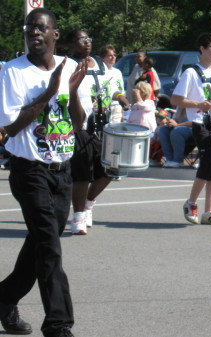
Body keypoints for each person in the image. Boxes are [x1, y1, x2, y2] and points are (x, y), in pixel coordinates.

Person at [0, 8, 90, 336]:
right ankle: (58, 324)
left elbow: (79, 122)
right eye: (29, 29)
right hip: (29, 171)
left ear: (54, 34)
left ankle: (4, 297)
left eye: (40, 29)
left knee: (40, 245)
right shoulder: (13, 72)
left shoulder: (68, 68)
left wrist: (73, 91)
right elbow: (10, 127)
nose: (33, 33)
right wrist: (49, 92)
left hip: (61, 171)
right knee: (50, 247)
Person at [170, 32, 211, 225]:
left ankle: (209, 211)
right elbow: (175, 99)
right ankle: (191, 203)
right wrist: (198, 104)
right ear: (202, 49)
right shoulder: (191, 73)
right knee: (208, 163)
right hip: (201, 125)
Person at [68, 29, 126, 235]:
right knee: (82, 175)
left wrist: (121, 98)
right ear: (71, 44)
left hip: (104, 126)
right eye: (81, 39)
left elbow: (113, 89)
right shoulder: (66, 64)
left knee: (112, 170)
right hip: (81, 127)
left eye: (89, 38)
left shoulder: (102, 65)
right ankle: (78, 217)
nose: (87, 42)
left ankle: (89, 203)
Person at [100, 44, 130, 123]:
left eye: (114, 55)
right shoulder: (101, 72)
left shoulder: (117, 72)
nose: (113, 57)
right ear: (103, 58)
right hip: (106, 107)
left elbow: (121, 91)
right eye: (109, 55)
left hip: (117, 106)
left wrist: (122, 111)